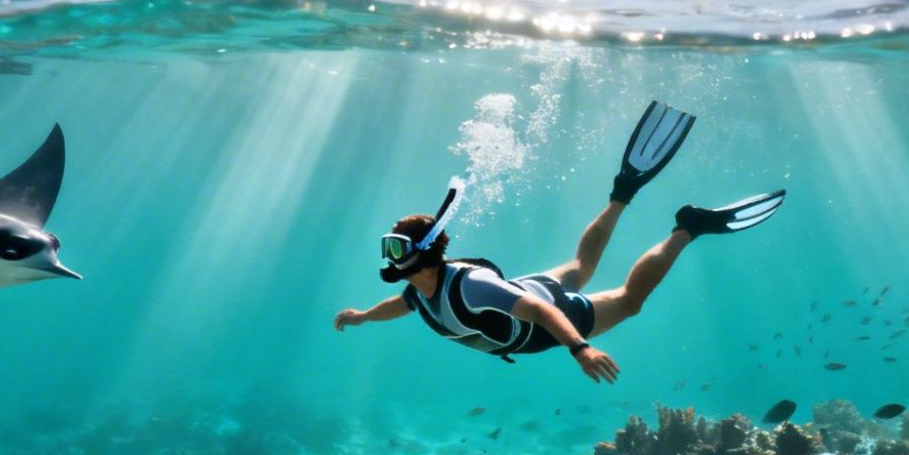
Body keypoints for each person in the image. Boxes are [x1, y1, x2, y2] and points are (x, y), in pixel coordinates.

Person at [335, 103, 786, 382]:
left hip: (547, 319)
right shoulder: (420, 288)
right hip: (529, 289)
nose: (390, 257)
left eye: (396, 247)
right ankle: (622, 193)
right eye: (388, 247)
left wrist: (579, 348)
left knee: (630, 302)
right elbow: (403, 304)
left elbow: (539, 311)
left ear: (426, 251)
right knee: (581, 266)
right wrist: (362, 317)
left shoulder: (470, 287)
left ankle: (688, 227)